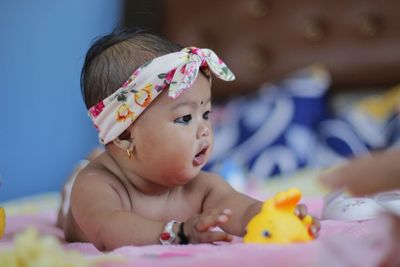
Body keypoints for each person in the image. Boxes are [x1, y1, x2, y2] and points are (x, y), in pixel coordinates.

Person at [57, 28, 320, 251]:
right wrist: (178, 232)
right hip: (77, 201)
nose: (204, 129)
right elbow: (108, 231)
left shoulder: (200, 187)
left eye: (205, 113)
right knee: (82, 175)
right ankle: (86, 163)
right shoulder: (97, 186)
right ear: (126, 135)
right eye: (185, 118)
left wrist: (274, 216)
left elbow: (238, 209)